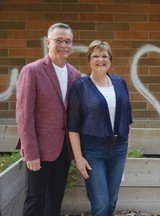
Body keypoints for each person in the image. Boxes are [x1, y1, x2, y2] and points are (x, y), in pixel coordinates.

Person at [16, 23, 81, 216]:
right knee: (35, 200)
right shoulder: (32, 71)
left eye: (68, 41)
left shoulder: (75, 74)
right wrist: (31, 152)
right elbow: (24, 115)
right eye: (59, 40)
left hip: (63, 149)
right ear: (48, 42)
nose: (64, 45)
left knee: (55, 200)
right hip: (40, 150)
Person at [67, 40, 133, 216]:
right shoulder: (80, 87)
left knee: (112, 200)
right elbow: (72, 126)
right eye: (96, 56)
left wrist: (127, 145)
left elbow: (127, 119)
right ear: (89, 60)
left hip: (118, 149)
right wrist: (79, 158)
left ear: (110, 59)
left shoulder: (120, 83)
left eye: (104, 56)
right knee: (101, 203)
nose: (100, 60)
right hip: (93, 152)